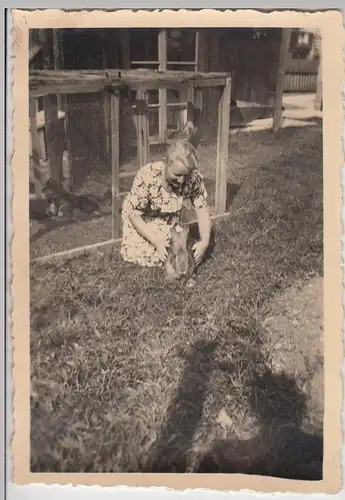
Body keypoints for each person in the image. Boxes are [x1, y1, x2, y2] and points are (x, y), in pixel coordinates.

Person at [120, 124, 212, 269]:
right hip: (142, 221)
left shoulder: (194, 179)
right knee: (155, 253)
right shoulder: (148, 175)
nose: (181, 181)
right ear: (165, 163)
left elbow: (202, 210)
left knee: (180, 249)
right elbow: (134, 214)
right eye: (176, 175)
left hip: (168, 221)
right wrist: (155, 241)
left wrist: (205, 242)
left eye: (186, 176)